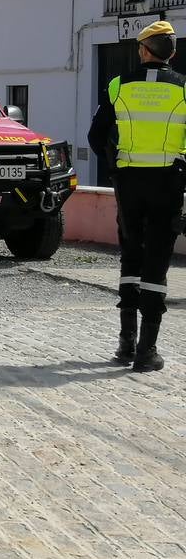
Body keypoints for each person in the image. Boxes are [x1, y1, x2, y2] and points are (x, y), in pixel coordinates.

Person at [88, 20, 186, 372]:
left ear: (144, 50)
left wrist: (116, 168)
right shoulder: (184, 89)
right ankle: (147, 350)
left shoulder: (118, 86)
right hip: (168, 184)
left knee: (131, 259)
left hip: (129, 184)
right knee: (157, 263)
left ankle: (125, 343)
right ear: (171, 53)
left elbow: (97, 136)